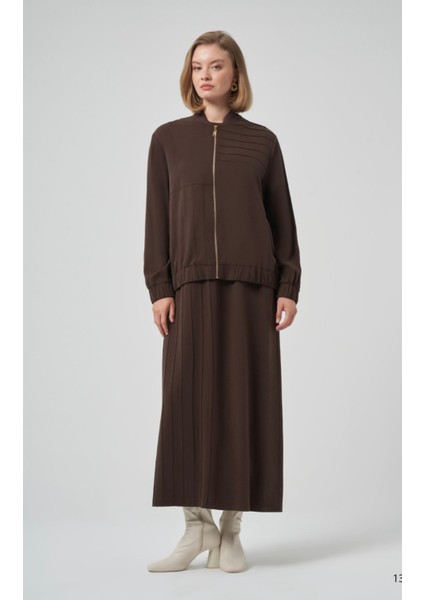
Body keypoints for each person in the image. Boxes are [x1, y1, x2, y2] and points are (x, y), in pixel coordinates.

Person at [143, 30, 302, 573]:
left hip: (252, 288)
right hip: (189, 288)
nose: (205, 75)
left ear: (236, 75)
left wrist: (287, 286)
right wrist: (160, 288)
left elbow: (282, 220)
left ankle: (231, 530)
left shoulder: (262, 143)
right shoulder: (167, 140)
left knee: (243, 403)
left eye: (215, 66)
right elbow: (157, 219)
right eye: (197, 67)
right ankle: (197, 528)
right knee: (184, 403)